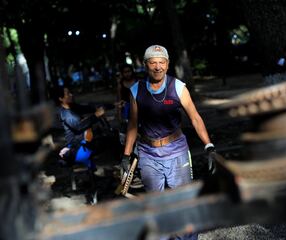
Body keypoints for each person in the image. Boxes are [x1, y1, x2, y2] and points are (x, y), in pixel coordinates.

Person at [121, 45, 215, 240]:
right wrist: (126, 155)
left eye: (161, 62)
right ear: (146, 65)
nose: (157, 67)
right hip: (148, 154)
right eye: (153, 62)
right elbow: (132, 124)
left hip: (177, 152)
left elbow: (195, 118)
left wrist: (208, 145)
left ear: (168, 64)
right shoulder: (136, 90)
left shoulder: (178, 87)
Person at [55, 86, 105, 170]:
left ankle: (91, 169)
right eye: (68, 94)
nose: (71, 95)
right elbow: (79, 126)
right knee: (107, 142)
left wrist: (111, 105)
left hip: (81, 143)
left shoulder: (72, 107)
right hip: (78, 148)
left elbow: (86, 108)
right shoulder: (66, 114)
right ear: (61, 98)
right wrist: (95, 115)